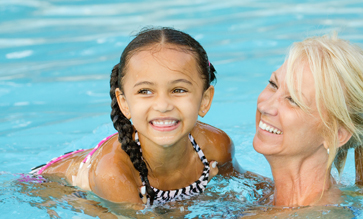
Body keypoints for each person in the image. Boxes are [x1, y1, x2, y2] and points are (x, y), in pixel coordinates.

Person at [30, 27, 246, 206]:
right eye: (145, 91)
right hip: (49, 190)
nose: (162, 105)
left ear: (205, 100)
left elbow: (250, 186)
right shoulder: (113, 173)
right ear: (124, 103)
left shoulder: (216, 146)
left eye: (179, 90)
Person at [252, 33, 363, 207]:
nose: (265, 106)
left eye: (293, 100)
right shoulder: (269, 196)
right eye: (273, 84)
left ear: (337, 134)